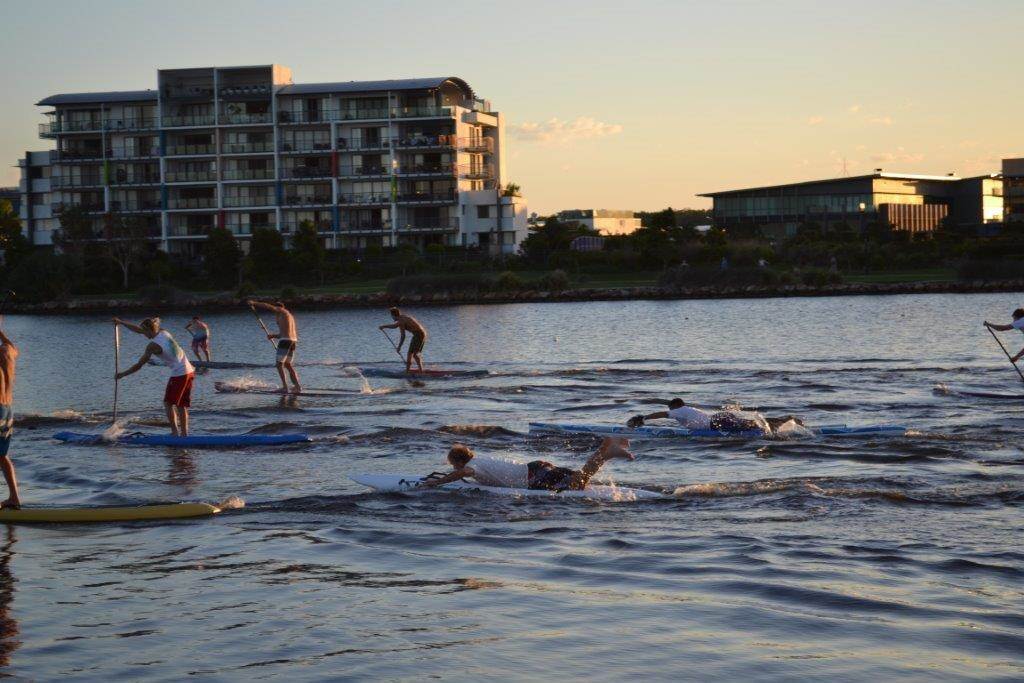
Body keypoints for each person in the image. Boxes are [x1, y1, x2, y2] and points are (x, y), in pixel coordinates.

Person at [421, 437, 634, 492]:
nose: (454, 469)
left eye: (453, 465)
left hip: (533, 478)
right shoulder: (480, 458)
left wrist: (436, 483)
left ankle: (607, 454)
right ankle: (605, 449)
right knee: (580, 481)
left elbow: (464, 472)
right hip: (536, 467)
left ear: (459, 461)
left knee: (578, 485)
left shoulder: (473, 467)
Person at [113, 317, 195, 436]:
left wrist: (122, 374)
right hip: (189, 371)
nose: (143, 335)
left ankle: (175, 434)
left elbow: (139, 365)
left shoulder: (152, 346)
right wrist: (121, 322)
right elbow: (139, 330)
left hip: (179, 374)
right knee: (181, 405)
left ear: (149, 330)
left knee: (168, 403)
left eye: (144, 332)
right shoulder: (163, 332)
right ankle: (184, 435)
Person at [627, 397, 802, 433]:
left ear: (675, 406)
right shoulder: (689, 410)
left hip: (716, 424)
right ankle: (785, 419)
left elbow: (662, 414)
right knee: (751, 423)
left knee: (752, 426)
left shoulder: (678, 410)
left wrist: (643, 419)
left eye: (671, 408)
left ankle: (781, 422)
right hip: (719, 418)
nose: (671, 411)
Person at [248, 300, 301, 394]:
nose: (274, 314)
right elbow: (284, 334)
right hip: (292, 341)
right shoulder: (288, 316)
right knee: (288, 365)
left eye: (275, 310)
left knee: (279, 364)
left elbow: (268, 306)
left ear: (280, 308)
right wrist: (273, 336)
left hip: (285, 341)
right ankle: (297, 386)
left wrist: (254, 303)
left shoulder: (282, 311)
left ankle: (285, 387)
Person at [0, 327, 19, 510]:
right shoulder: (8, 350)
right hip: (8, 410)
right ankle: (14, 498)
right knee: (2, 456)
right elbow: (13, 347)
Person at [379, 307, 427, 373]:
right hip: (421, 333)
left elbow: (403, 336)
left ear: (393, 315)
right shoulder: (403, 317)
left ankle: (420, 372)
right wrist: (384, 326)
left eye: (391, 316)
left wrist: (399, 347)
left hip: (418, 335)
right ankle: (408, 371)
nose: (392, 317)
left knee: (414, 354)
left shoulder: (401, 321)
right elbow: (395, 326)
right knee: (410, 353)